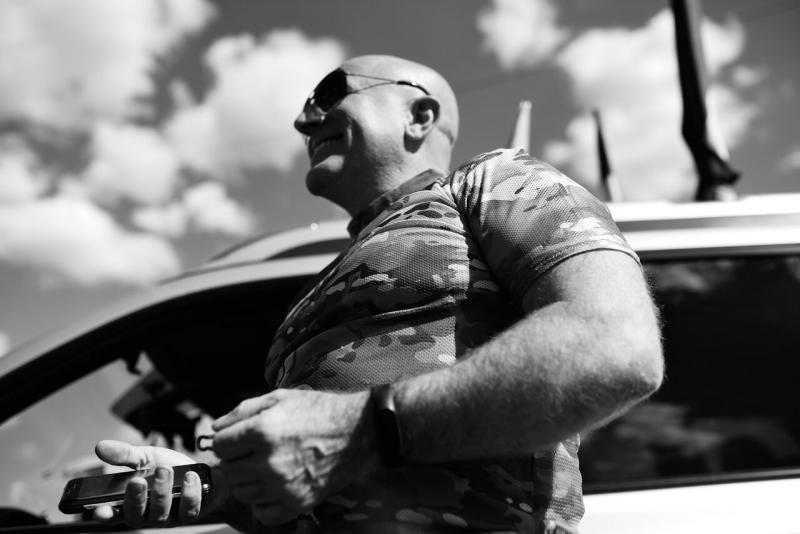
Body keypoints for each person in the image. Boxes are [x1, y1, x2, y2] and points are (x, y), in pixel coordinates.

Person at [93, 55, 663, 533]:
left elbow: (615, 346)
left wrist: (362, 430)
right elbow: (322, 483)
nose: (304, 120)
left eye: (330, 93)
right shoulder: (315, 289)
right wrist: (222, 490)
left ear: (420, 116)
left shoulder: (493, 182)